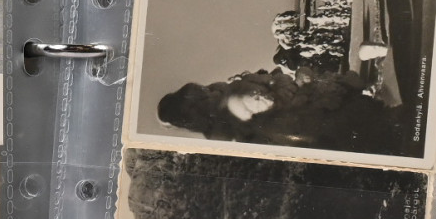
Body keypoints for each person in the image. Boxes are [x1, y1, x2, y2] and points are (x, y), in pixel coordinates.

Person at [156, 69, 411, 156]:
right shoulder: (237, 98)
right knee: (393, 125)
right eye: (204, 94)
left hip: (307, 140)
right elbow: (278, 101)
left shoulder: (218, 135)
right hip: (315, 118)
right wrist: (278, 81)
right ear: (198, 106)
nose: (210, 91)